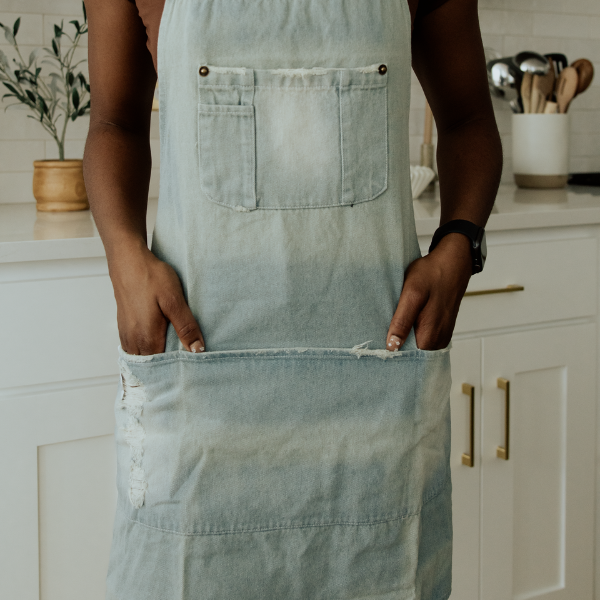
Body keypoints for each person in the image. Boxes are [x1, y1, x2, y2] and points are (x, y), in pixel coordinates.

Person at [83, 0, 502, 598]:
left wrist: (460, 244)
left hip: (376, 393)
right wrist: (124, 256)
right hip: (200, 386)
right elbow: (114, 124)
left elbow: (467, 121)